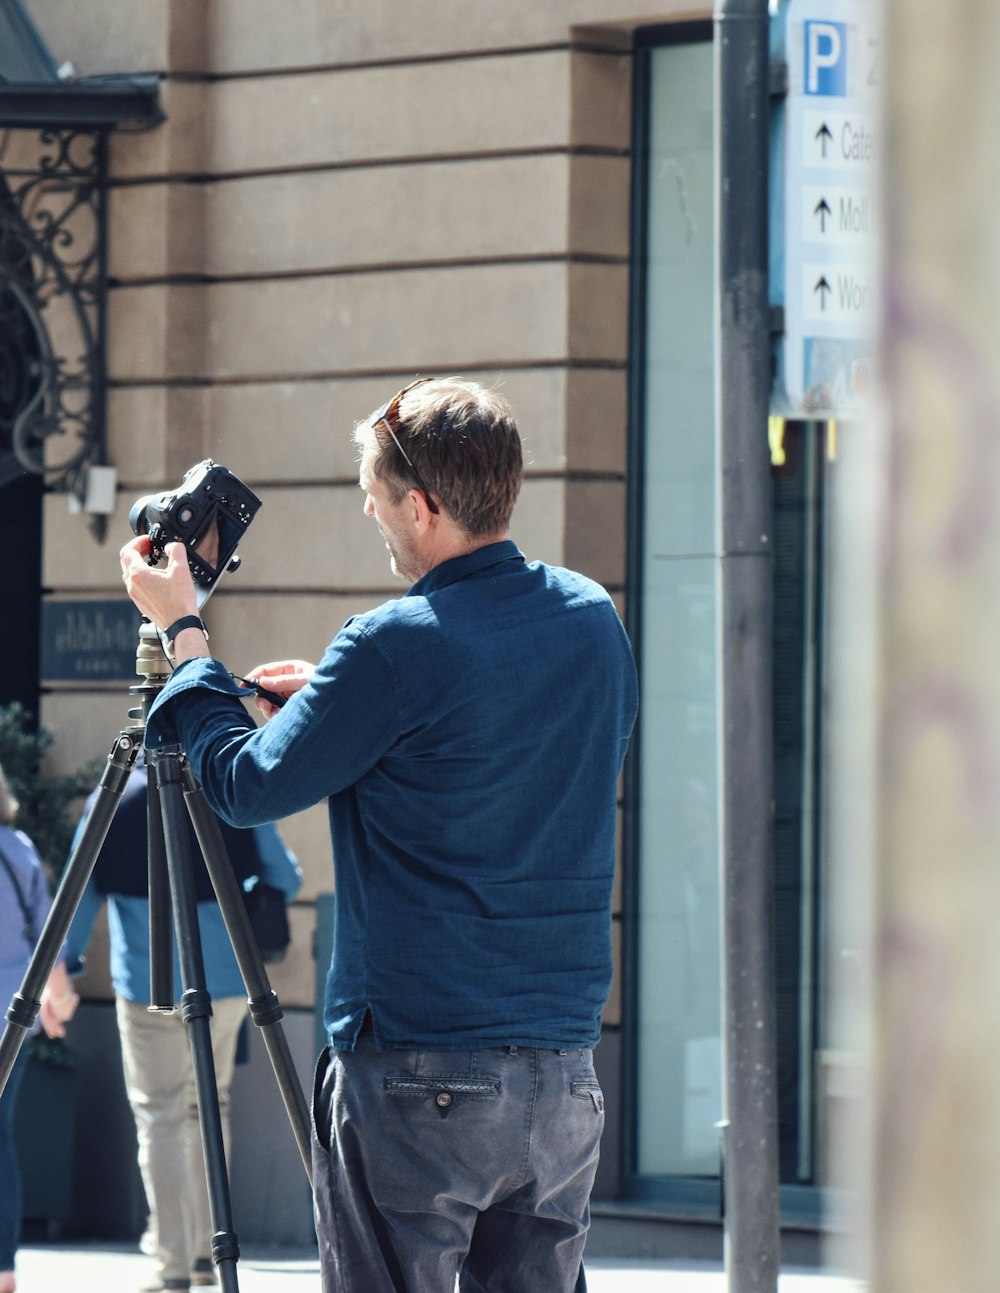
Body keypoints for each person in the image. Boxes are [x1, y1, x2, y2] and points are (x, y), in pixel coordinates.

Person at [120, 376, 638, 1292]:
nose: (367, 504)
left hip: (417, 1071)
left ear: (426, 505)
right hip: (562, 1076)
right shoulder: (593, 621)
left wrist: (184, 634)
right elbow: (489, 741)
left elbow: (242, 785)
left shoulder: (393, 644)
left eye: (377, 491)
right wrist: (342, 702)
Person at [63, 762, 301, 1293]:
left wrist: (66, 965)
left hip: (147, 984)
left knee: (160, 1115)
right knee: (208, 1107)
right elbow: (285, 877)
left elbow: (80, 893)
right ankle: (205, 1254)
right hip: (224, 977)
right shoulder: (223, 791)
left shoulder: (116, 799)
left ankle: (171, 1261)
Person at [0, 763, 79, 1293]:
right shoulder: (16, 848)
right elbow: (45, 932)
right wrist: (59, 999)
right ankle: (4, 1269)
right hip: (12, 1018)